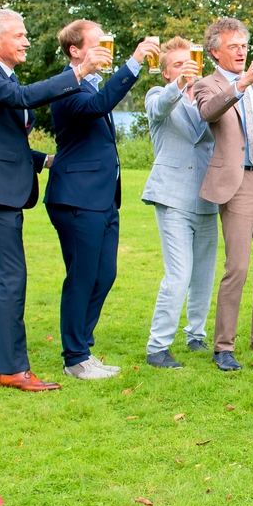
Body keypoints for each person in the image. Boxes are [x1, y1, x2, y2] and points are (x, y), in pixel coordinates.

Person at [0, 8, 99, 392]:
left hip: (0, 185)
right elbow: (22, 98)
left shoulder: (4, 76)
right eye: (19, 35)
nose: (26, 41)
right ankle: (14, 369)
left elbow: (2, 139)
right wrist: (78, 73)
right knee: (11, 275)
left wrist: (47, 160)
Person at [44, 21, 157, 380]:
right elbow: (99, 105)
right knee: (82, 276)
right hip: (76, 197)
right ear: (75, 51)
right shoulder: (67, 86)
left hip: (103, 197)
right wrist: (134, 63)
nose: (105, 50)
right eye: (97, 44)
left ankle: (83, 348)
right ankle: (75, 357)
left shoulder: (89, 83)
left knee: (104, 274)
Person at [191, 18, 253, 371]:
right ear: (215, 52)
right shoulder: (207, 84)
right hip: (237, 184)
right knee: (237, 267)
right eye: (233, 46)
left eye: (244, 46)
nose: (241, 51)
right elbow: (208, 112)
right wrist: (242, 83)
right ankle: (223, 347)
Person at [140, 37, 215, 369]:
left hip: (208, 197)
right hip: (172, 196)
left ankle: (196, 335)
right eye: (178, 65)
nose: (187, 69)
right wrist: (180, 84)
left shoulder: (207, 99)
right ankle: (158, 347)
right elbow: (159, 108)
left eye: (190, 63)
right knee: (179, 274)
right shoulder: (158, 95)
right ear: (166, 71)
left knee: (203, 274)